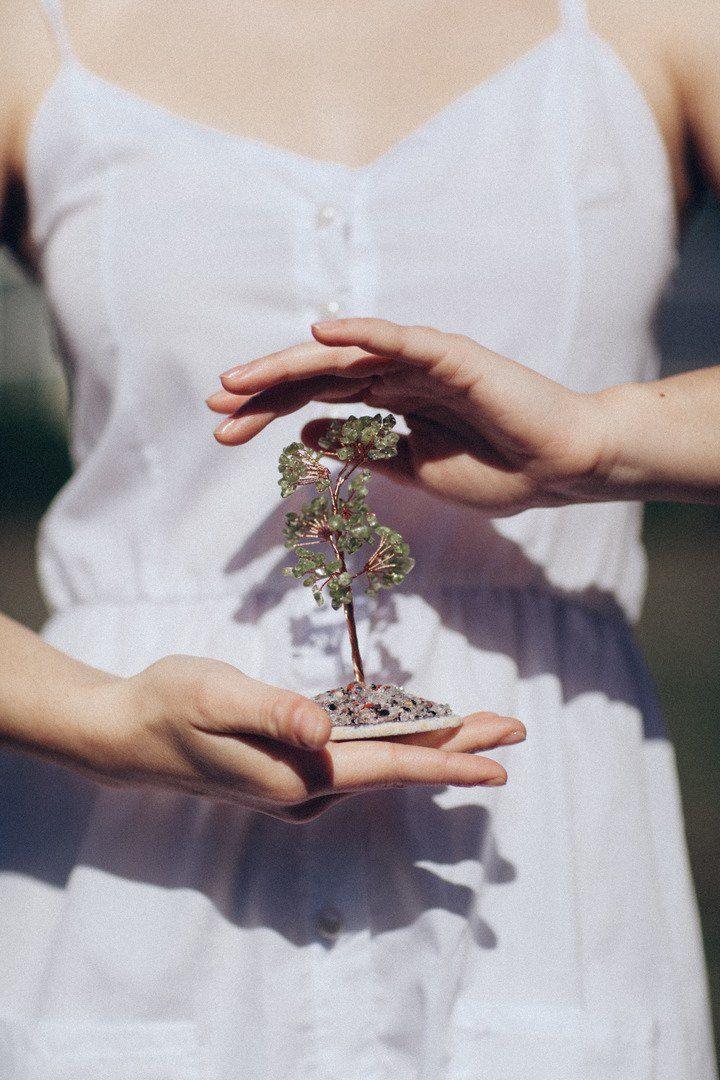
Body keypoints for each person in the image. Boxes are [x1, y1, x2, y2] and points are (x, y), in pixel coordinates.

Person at [0, 0, 718, 1077]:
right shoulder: (31, 34)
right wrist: (99, 714)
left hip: (539, 888)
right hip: (131, 893)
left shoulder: (667, 21)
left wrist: (600, 441)